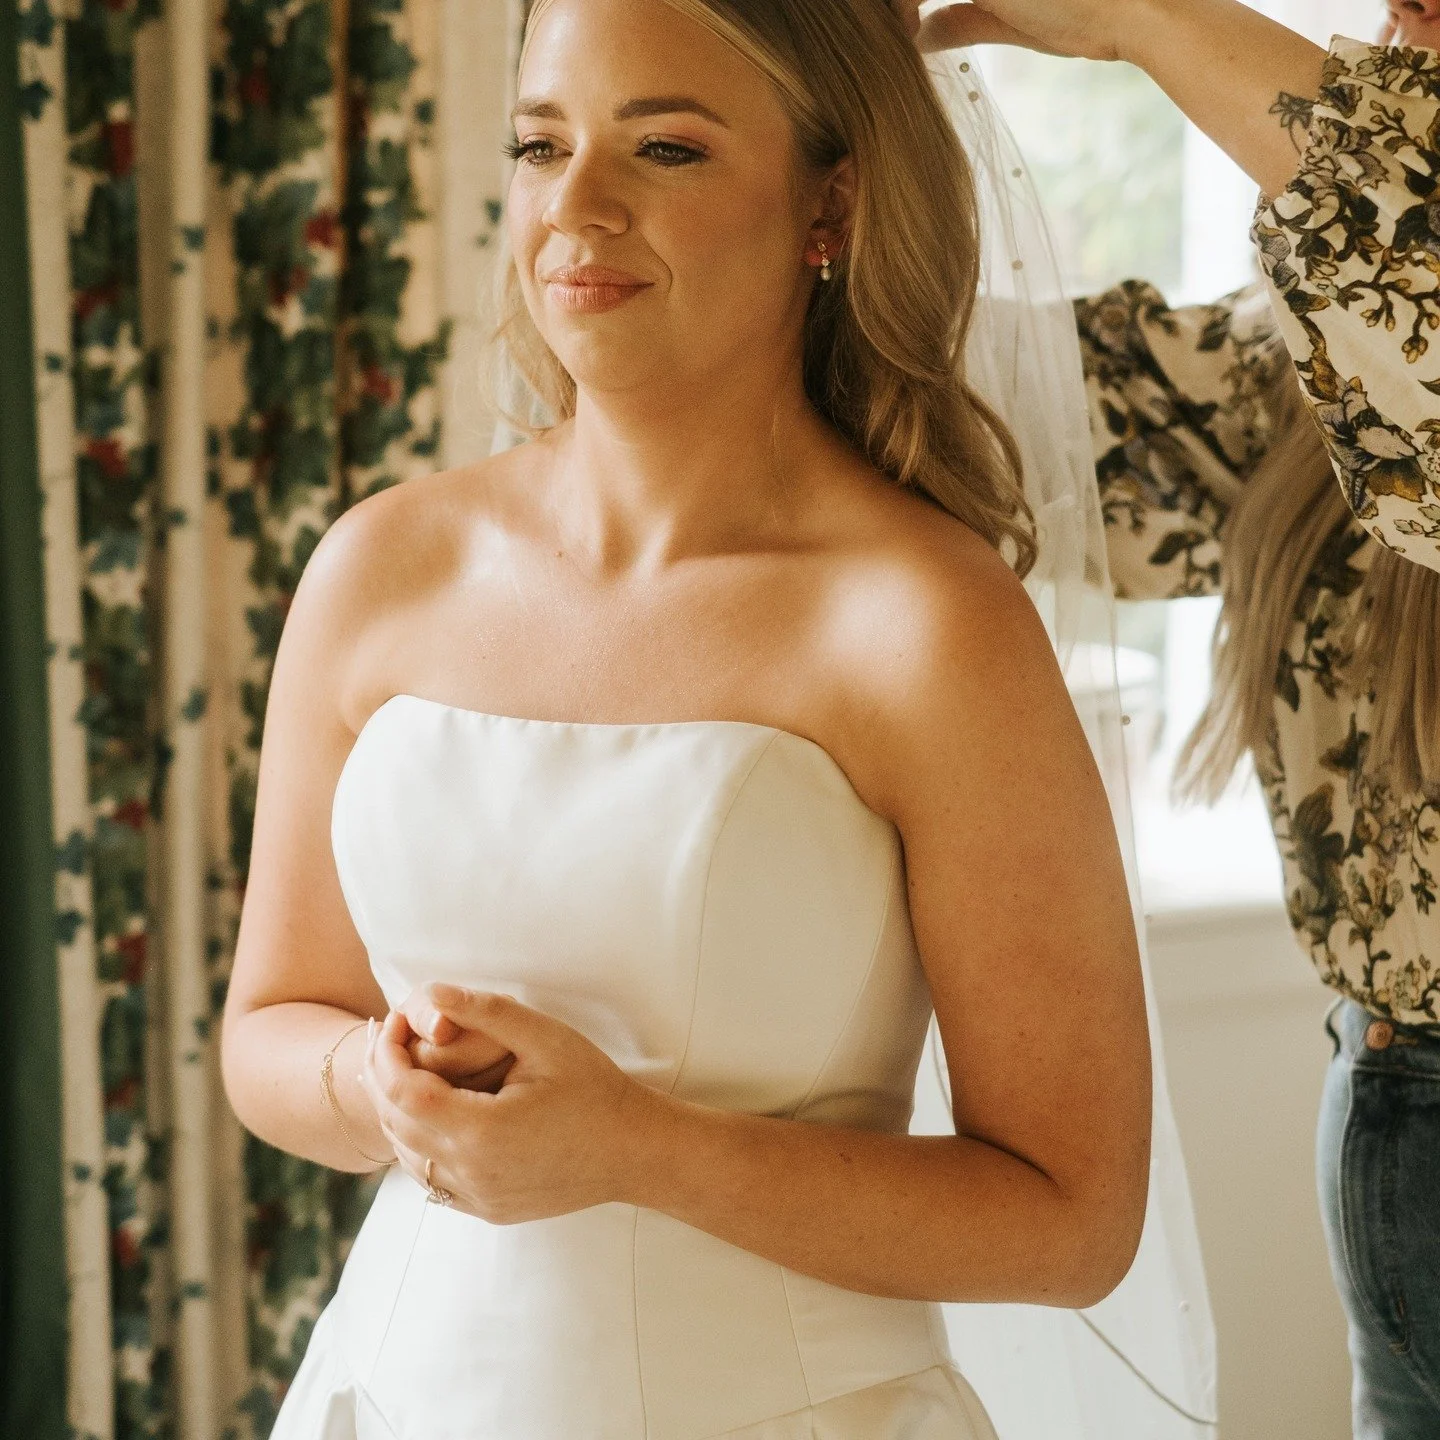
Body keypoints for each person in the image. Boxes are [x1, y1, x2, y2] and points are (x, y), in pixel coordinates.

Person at [217, 0, 1154, 1435]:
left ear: (828, 201)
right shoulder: (379, 566)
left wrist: (636, 1151)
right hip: (391, 1398)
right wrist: (373, 1084)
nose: (576, 206)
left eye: (664, 146)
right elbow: (270, 1028)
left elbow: (1072, 1219)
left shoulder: (926, 627)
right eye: (542, 143)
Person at [904, 0, 1440, 1434]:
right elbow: (1003, 425)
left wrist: (1145, 17)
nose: (1404, 17)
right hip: (1405, 1115)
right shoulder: (1296, 374)